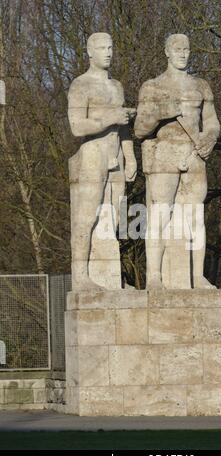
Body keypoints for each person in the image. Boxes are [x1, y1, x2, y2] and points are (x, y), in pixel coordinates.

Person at [134, 33, 220, 289]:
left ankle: (198, 276)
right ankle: (154, 277)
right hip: (164, 154)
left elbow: (212, 121)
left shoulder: (201, 86)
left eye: (186, 49)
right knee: (160, 214)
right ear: (167, 52)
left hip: (194, 154)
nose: (183, 53)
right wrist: (163, 112)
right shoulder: (153, 87)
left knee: (195, 216)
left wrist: (211, 138)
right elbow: (139, 129)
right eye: (177, 48)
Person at [68, 32, 137, 290]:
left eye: (110, 47)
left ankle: (110, 280)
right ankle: (81, 277)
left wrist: (130, 156)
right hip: (92, 155)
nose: (108, 52)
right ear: (90, 51)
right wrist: (111, 118)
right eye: (102, 48)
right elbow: (76, 126)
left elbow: (124, 127)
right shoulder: (80, 85)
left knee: (114, 220)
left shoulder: (116, 86)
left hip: (116, 156)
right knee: (87, 218)